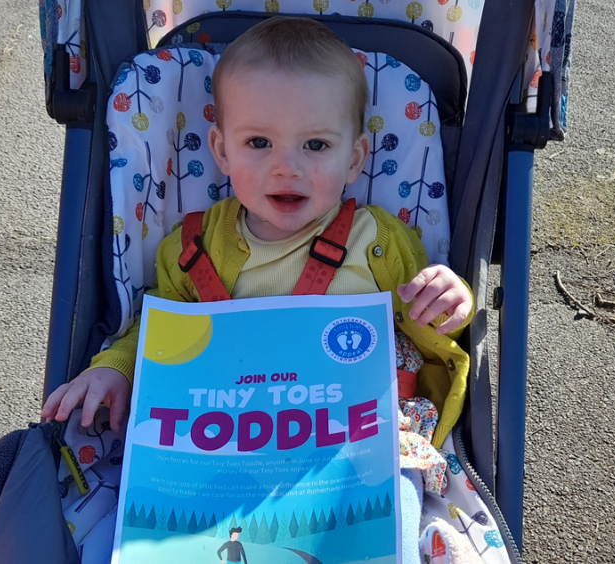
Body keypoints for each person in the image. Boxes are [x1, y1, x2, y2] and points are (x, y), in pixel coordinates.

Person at [42, 16, 474, 564]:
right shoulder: (193, 246)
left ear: (356, 159)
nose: (285, 166)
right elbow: (161, 334)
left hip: (352, 449)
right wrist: (118, 367)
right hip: (224, 447)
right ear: (221, 151)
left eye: (315, 144)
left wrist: (448, 299)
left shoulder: (379, 243)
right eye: (258, 142)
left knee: (395, 504)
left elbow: (424, 323)